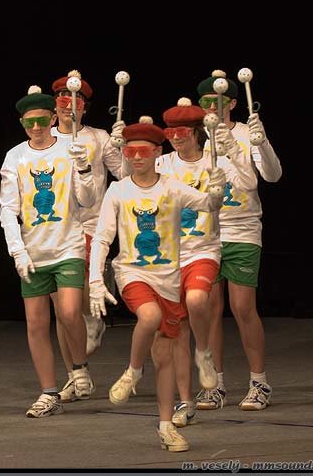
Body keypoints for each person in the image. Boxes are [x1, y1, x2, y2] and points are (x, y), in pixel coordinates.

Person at [87, 117, 225, 452]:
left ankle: (166, 426)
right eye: (130, 151)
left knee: (164, 356)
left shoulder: (173, 188)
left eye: (143, 152)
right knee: (148, 317)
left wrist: (217, 191)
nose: (136, 157)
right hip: (132, 273)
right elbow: (102, 238)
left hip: (168, 280)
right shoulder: (119, 190)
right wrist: (95, 280)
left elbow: (207, 205)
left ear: (157, 153)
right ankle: (133, 372)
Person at [157, 97, 258, 427]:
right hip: (176, 252)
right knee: (182, 323)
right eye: (170, 131)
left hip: (211, 245)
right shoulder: (164, 163)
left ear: (197, 132)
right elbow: (131, 182)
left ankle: (256, 380)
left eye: (182, 131)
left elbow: (250, 183)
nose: (175, 136)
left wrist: (235, 153)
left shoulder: (216, 159)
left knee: (224, 305)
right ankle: (197, 394)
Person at [0, 85, 96, 417]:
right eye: (30, 123)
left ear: (53, 118)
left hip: (67, 244)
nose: (37, 127)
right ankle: (49, 392)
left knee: (69, 312)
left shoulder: (71, 148)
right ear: (22, 124)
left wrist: (84, 169)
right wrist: (18, 251)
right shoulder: (15, 157)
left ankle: (79, 367)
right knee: (36, 324)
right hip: (33, 249)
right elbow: (7, 209)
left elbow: (87, 200)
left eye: (42, 120)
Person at [194, 70, 283, 412]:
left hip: (242, 229)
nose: (211, 107)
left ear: (232, 103)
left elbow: (272, 176)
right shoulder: (195, 138)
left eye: (217, 101)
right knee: (208, 309)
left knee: (243, 307)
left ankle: (259, 382)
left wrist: (263, 143)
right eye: (206, 102)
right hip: (205, 232)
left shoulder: (247, 133)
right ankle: (214, 385)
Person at [48, 70, 123, 403]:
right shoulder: (46, 138)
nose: (68, 106)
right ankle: (74, 374)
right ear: (55, 105)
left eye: (75, 101)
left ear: (85, 108)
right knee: (61, 312)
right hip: (52, 230)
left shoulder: (98, 137)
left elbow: (124, 175)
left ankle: (94, 319)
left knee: (75, 301)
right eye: (63, 100)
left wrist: (121, 147)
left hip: (90, 225)